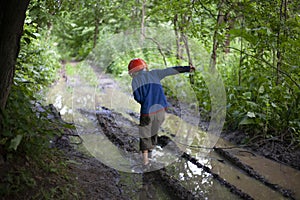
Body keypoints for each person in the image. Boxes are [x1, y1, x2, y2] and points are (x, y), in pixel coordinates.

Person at [128, 58, 195, 166]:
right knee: (154, 131)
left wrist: (146, 102)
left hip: (147, 111)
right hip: (161, 110)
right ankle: (151, 154)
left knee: (145, 133)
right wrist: (187, 68)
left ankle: (145, 161)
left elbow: (138, 97)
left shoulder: (135, 81)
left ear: (133, 72)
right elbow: (170, 70)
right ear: (145, 67)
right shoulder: (155, 73)